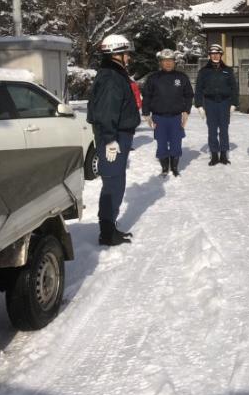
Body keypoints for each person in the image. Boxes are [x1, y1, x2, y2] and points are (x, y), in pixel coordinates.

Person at [87, 34, 141, 246]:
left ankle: (110, 228)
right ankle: (107, 233)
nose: (129, 57)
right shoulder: (111, 77)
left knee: (116, 182)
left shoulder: (114, 74)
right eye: (126, 53)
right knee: (113, 184)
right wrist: (110, 139)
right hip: (114, 136)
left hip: (119, 135)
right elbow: (107, 111)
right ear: (116, 54)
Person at [141, 48, 194, 177]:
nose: (168, 63)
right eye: (165, 61)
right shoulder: (153, 78)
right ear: (160, 62)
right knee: (162, 143)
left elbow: (188, 95)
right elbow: (147, 96)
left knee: (176, 143)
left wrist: (186, 111)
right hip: (159, 117)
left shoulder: (181, 77)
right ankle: (165, 168)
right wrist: (146, 113)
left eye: (170, 60)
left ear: (174, 62)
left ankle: (175, 167)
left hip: (176, 117)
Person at [194, 44, 239, 166]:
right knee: (212, 130)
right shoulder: (203, 71)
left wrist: (234, 103)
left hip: (225, 103)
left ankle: (224, 154)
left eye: (217, 54)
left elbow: (234, 88)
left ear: (220, 55)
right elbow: (198, 89)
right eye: (212, 54)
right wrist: (199, 105)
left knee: (224, 129)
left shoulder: (228, 70)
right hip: (210, 103)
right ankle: (214, 155)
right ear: (209, 55)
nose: (215, 56)